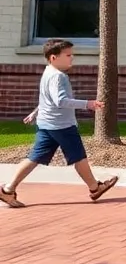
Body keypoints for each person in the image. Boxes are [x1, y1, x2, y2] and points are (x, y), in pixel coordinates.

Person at [0, 39, 119, 209]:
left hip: (47, 125)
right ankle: (95, 187)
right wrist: (88, 104)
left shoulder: (47, 72)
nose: (72, 58)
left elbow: (46, 98)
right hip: (62, 126)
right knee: (79, 157)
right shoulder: (59, 77)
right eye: (68, 55)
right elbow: (60, 101)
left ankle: (7, 189)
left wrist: (35, 112)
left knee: (34, 158)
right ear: (54, 57)